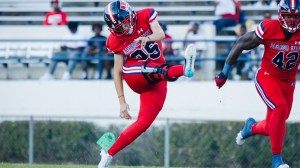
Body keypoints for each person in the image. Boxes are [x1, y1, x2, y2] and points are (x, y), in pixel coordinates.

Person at [98, 0, 197, 167]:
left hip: (156, 79)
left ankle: (108, 154)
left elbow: (161, 33)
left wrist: (147, 38)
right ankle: (183, 69)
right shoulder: (115, 40)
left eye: (124, 24)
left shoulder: (145, 16)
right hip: (134, 75)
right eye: (118, 28)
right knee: (154, 70)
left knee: (142, 124)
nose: (123, 29)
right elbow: (117, 71)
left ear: (130, 14)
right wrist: (122, 101)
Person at [215, 0, 300, 167]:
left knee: (274, 125)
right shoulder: (269, 28)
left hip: (288, 81)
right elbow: (240, 43)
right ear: (280, 15)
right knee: (280, 108)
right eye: (288, 15)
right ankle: (276, 160)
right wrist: (225, 72)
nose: (291, 20)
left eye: (295, 16)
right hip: (267, 77)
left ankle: (251, 128)